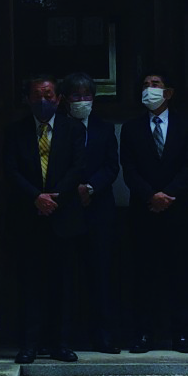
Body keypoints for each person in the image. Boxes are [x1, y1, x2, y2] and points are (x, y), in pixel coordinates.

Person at [6, 74, 86, 365]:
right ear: (27, 98)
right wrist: (35, 198)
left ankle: (61, 343)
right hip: (29, 216)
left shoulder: (73, 129)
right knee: (30, 284)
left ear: (59, 98)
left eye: (49, 96)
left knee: (63, 283)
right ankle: (29, 344)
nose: (43, 101)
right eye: (37, 96)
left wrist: (55, 198)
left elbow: (78, 167)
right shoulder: (15, 131)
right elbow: (11, 170)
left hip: (63, 216)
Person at [120, 70, 188, 354]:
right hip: (143, 210)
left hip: (177, 210)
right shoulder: (130, 128)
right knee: (144, 274)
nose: (149, 90)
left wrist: (169, 195)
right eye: (145, 85)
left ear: (168, 92)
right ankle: (144, 333)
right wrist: (150, 195)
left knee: (179, 274)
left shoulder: (185, 125)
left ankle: (181, 334)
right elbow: (128, 170)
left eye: (155, 85)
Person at [61, 72, 121, 355]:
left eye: (87, 96)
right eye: (76, 96)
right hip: (66, 209)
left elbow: (112, 167)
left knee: (101, 274)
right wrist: (74, 189)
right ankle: (66, 337)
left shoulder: (105, 129)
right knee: (66, 275)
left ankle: (103, 335)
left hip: (100, 211)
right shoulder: (58, 127)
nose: (82, 101)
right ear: (65, 99)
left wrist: (91, 187)